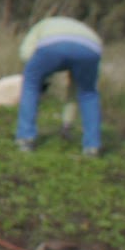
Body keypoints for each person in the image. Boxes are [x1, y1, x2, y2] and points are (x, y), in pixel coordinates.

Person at [16, 16, 102, 156]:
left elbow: (26, 54)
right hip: (91, 48)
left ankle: (26, 138)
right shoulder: (82, 28)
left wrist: (42, 79)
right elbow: (73, 89)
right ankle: (92, 147)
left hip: (53, 44)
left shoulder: (41, 25)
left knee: (30, 83)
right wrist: (67, 122)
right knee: (88, 94)